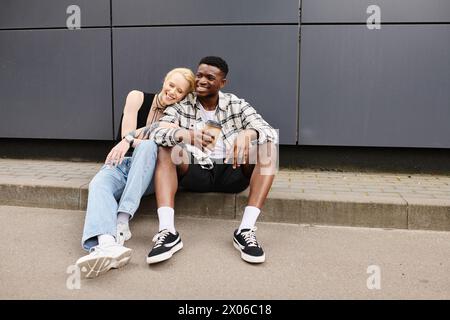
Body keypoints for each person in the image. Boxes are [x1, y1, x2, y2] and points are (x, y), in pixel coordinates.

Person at [148, 56, 278, 265]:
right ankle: (167, 232)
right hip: (196, 170)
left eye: (210, 77)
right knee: (166, 149)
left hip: (231, 170)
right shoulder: (183, 104)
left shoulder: (236, 104)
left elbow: (269, 131)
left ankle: (245, 230)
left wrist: (249, 133)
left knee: (269, 148)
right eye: (199, 75)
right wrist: (184, 134)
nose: (201, 81)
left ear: (222, 82)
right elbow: (157, 132)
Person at [75, 68, 195, 278]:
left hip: (151, 173)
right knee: (99, 185)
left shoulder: (176, 117)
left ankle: (122, 221)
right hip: (123, 163)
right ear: (164, 81)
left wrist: (133, 140)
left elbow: (138, 142)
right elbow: (125, 134)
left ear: (184, 96)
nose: (173, 92)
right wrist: (134, 139)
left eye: (180, 91)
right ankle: (107, 244)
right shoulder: (137, 97)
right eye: (171, 85)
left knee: (148, 147)